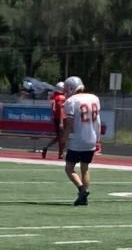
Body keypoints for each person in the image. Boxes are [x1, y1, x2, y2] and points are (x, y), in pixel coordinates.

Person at [61, 76, 100, 206]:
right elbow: (98, 122)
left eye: (66, 89)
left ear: (71, 88)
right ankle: (84, 196)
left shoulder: (71, 101)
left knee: (69, 168)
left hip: (78, 139)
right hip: (91, 139)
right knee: (85, 168)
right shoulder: (94, 98)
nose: (65, 92)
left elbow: (70, 124)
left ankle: (82, 190)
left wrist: (64, 139)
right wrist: (98, 139)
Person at [40, 81, 66, 160]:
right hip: (61, 118)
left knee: (59, 137)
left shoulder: (54, 96)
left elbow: (54, 109)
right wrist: (61, 122)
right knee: (62, 137)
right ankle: (60, 154)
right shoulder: (61, 98)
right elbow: (61, 110)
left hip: (56, 118)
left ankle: (47, 147)